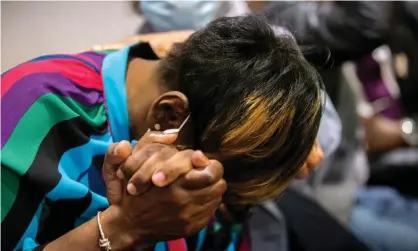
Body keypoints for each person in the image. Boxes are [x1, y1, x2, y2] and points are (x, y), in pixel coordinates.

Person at [2, 16, 324, 251]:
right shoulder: (29, 120)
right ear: (168, 116)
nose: (208, 207)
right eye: (218, 191)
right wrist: (126, 226)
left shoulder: (196, 117)